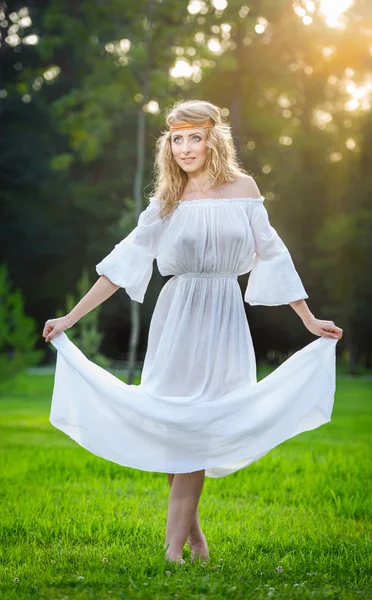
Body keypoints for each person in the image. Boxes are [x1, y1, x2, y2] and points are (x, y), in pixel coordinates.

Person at [42, 99, 343, 564]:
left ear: (213, 139)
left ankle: (172, 550)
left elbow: (273, 253)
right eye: (177, 139)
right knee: (173, 425)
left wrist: (307, 319)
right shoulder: (167, 199)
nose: (185, 148)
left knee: (199, 426)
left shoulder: (243, 188)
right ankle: (193, 539)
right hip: (177, 315)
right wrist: (70, 319)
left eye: (194, 137)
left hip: (222, 315)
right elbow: (122, 264)